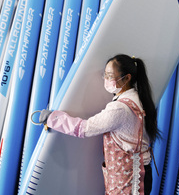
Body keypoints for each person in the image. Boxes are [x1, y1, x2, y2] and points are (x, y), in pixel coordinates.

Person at [39, 54, 160, 195]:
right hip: (137, 172)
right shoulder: (138, 97)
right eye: (105, 75)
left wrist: (53, 119)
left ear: (127, 78)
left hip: (131, 178)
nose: (106, 80)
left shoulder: (119, 109)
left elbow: (84, 128)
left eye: (110, 76)